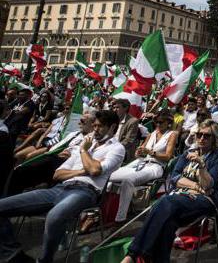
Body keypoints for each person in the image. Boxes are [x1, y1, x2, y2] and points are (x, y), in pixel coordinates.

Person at [0, 110, 125, 263]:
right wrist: (82, 169)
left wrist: (83, 151)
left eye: (100, 126)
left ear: (112, 127)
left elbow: (94, 170)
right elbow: (57, 175)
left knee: (54, 216)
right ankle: (13, 254)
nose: (95, 129)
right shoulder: (85, 144)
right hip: (59, 188)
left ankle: (45, 260)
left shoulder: (116, 148)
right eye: (94, 126)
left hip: (85, 192)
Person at [122, 119, 218, 263]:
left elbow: (208, 185)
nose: (201, 138)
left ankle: (133, 255)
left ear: (214, 139)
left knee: (165, 203)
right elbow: (174, 177)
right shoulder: (188, 153)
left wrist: (201, 165)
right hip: (181, 196)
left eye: (207, 136)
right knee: (169, 219)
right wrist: (195, 186)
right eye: (199, 134)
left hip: (204, 201)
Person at [109, 110, 177, 222]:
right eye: (156, 122)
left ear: (168, 123)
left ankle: (120, 218)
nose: (158, 124)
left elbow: (168, 156)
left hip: (156, 166)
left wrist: (151, 152)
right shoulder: (151, 134)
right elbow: (141, 151)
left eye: (161, 122)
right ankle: (108, 210)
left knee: (128, 180)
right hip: (141, 163)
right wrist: (139, 152)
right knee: (109, 176)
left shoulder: (172, 134)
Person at [6, 113, 96, 196]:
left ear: (92, 124)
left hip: (66, 163)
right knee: (19, 170)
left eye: (83, 121)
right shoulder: (74, 134)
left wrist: (71, 155)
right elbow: (58, 146)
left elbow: (85, 153)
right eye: (80, 120)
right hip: (54, 156)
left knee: (23, 172)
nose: (79, 123)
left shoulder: (92, 139)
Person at [113, 98, 140, 162]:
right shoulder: (112, 119)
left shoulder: (133, 121)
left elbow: (128, 141)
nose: (114, 110)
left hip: (123, 152)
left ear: (125, 108)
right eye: (114, 107)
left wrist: (112, 149)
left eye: (117, 107)